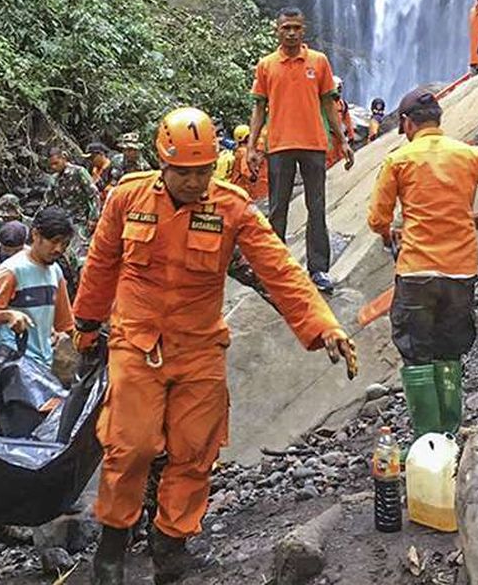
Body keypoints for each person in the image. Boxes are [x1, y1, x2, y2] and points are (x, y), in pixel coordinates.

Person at [73, 107, 358, 585]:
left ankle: (170, 547)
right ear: (163, 164)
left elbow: (280, 270)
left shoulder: (232, 207)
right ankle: (112, 546)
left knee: (193, 452)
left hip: (200, 348)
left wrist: (322, 325)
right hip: (136, 343)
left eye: (203, 171)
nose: (194, 181)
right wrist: (85, 324)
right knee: (132, 446)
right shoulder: (127, 199)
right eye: (184, 172)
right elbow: (101, 263)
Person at [366, 87, 478, 438]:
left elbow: (377, 219)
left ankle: (426, 440)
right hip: (460, 271)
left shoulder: (399, 160)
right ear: (438, 120)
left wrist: (391, 233)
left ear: (406, 123)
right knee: (450, 350)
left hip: (417, 271)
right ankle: (449, 435)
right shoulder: (471, 154)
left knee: (416, 352)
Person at [247, 7, 355, 293]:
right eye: (286, 28)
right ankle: (276, 270)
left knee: (316, 207)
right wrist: (252, 147)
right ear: (277, 30)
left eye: (296, 27)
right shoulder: (267, 65)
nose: (291, 33)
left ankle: (318, 269)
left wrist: (342, 139)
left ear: (303, 30)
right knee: (278, 209)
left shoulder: (318, 62)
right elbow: (259, 108)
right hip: (279, 145)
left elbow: (329, 104)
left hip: (314, 145)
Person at [0, 207, 75, 371]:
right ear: (36, 235)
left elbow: (65, 324)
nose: (59, 249)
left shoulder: (56, 272)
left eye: (64, 244)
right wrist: (8, 315)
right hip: (10, 363)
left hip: (41, 364)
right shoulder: (13, 270)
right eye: (54, 241)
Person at [41, 147, 100, 297]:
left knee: (80, 259)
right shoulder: (55, 179)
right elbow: (48, 201)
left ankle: (85, 294)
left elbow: (93, 195)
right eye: (51, 165)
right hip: (63, 224)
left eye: (56, 163)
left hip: (80, 221)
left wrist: (93, 217)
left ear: (64, 158)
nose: (54, 167)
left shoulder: (78, 172)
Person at [326, 76, 357, 169]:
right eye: (338, 88)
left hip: (340, 136)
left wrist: (351, 136)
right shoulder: (326, 105)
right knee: (330, 160)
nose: (339, 91)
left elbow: (347, 120)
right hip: (330, 136)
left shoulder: (342, 104)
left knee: (342, 158)